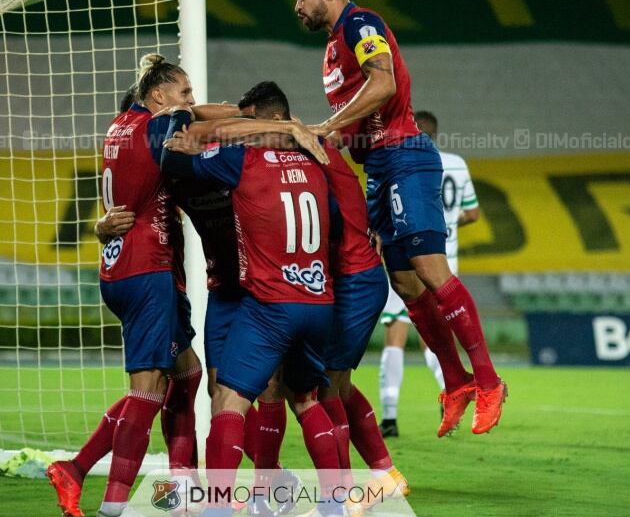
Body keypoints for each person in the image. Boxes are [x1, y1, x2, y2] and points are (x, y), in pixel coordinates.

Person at [288, 0, 506, 436]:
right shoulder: (330, 51)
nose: (297, 6)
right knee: (406, 287)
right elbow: (355, 122)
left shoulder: (361, 24)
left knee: (430, 270)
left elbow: (383, 82)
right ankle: (456, 381)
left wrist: (325, 128)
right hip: (379, 168)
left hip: (405, 155)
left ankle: (489, 381)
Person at [160, 83, 345, 517]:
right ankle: (334, 505)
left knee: (228, 400)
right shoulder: (317, 159)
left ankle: (219, 507)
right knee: (306, 398)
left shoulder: (242, 159)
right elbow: (334, 225)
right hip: (318, 300)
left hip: (268, 303)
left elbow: (174, 156)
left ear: (260, 122)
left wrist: (183, 116)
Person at [227, 82, 408, 512]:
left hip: (353, 279)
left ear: (274, 120)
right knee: (331, 384)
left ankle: (345, 494)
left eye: (252, 124)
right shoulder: (308, 142)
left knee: (320, 387)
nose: (247, 133)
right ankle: (383, 475)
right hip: (347, 276)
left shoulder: (304, 143)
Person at [46, 55, 202, 517]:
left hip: (121, 266)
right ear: (157, 98)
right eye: (183, 93)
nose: (189, 104)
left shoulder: (119, 126)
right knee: (148, 392)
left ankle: (180, 489)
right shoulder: (156, 129)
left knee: (186, 375)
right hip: (146, 269)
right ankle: (111, 505)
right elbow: (197, 124)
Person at [378, 111, 482, 437]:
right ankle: (453, 393)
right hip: (445, 261)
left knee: (395, 334)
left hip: (409, 259)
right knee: (435, 338)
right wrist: (448, 223)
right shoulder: (456, 163)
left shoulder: (402, 162)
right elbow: (473, 213)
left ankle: (391, 416)